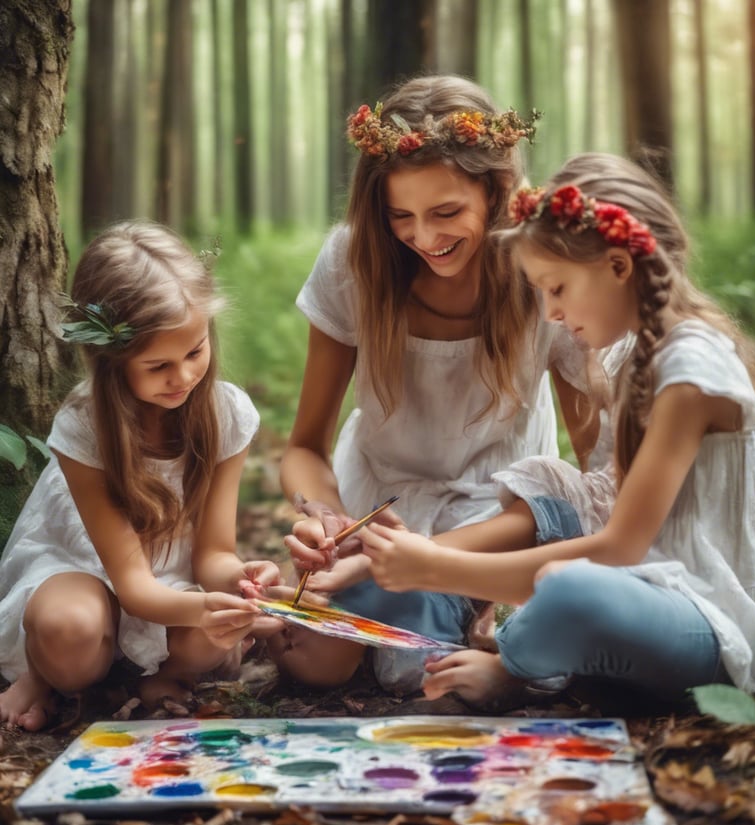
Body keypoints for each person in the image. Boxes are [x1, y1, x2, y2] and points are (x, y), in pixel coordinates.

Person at [357, 151, 755, 706]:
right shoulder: (639, 356)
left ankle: (512, 666)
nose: (550, 313)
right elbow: (599, 513)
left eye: (557, 288)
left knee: (568, 586)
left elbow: (621, 547)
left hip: (715, 626)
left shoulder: (689, 370)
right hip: (653, 595)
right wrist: (432, 561)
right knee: (557, 538)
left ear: (619, 266)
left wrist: (438, 566)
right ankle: (533, 649)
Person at [275, 75, 619, 691]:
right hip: (378, 510)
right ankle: (448, 608)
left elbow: (593, 464)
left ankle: (474, 606)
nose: (425, 238)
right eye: (400, 216)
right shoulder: (354, 263)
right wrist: (325, 518)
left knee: (414, 664)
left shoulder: (545, 273)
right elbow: (303, 447)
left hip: (501, 513)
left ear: (496, 190)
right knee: (321, 661)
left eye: (447, 213)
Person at [0, 221, 285, 731]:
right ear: (112, 363)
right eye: (158, 366)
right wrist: (200, 608)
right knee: (71, 635)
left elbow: (213, 553)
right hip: (86, 570)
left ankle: (141, 681)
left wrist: (240, 583)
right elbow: (132, 585)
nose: (183, 378)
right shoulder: (86, 425)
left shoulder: (224, 414)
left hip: (169, 579)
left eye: (195, 352)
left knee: (208, 637)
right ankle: (47, 672)